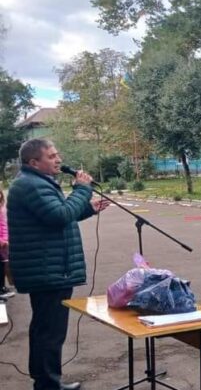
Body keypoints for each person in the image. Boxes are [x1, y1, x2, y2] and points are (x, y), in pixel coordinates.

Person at [8, 139, 109, 390]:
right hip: (47, 270)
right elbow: (59, 216)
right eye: (52, 156)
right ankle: (48, 385)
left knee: (48, 330)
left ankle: (47, 382)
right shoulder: (31, 185)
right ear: (34, 162)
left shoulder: (36, 182)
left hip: (50, 268)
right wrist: (83, 190)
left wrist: (88, 209)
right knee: (49, 332)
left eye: (57, 154)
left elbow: (57, 216)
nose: (59, 160)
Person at [0, 186, 13, 301]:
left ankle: (2, 287)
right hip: (1, 243)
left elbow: (4, 224)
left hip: (4, 242)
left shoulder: (2, 206)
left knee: (4, 265)